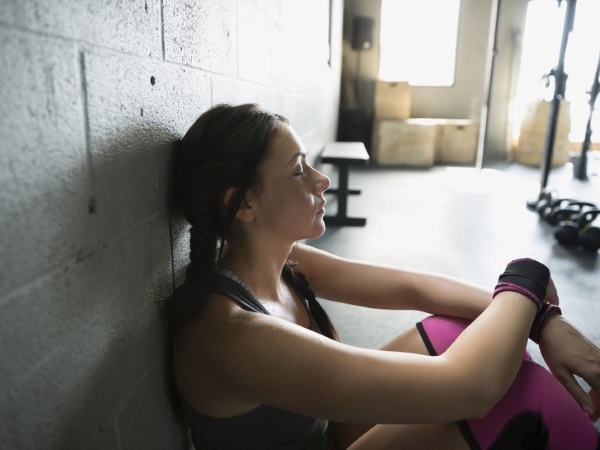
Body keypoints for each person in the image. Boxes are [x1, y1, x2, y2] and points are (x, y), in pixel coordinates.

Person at [163, 103, 600, 450]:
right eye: (299, 170)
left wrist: (544, 320)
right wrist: (529, 278)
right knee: (518, 397)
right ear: (242, 206)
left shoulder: (282, 260)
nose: (321, 180)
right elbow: (470, 388)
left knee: (458, 330)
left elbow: (414, 287)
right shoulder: (233, 334)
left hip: (325, 435)